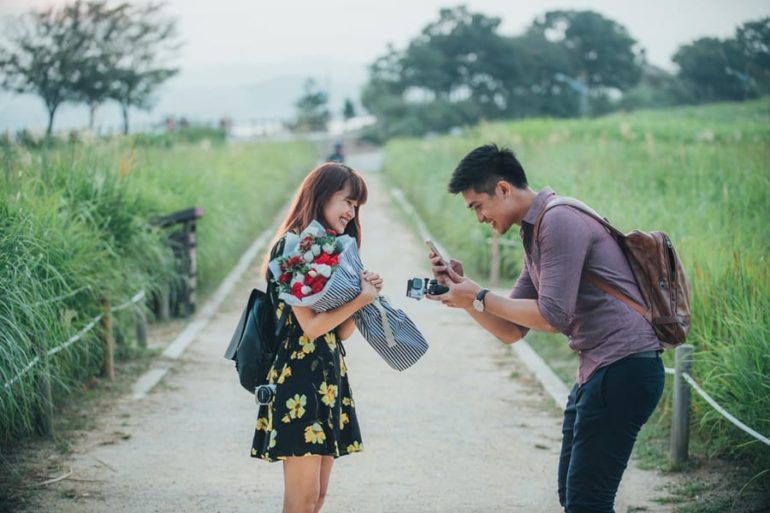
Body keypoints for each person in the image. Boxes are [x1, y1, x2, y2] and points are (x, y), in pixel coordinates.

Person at [427, 144, 665, 513]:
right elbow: (511, 331)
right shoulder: (535, 230)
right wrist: (465, 295)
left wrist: (480, 295)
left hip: (624, 367)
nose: (479, 218)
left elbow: (553, 316)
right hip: (600, 370)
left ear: (503, 189)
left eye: (478, 206)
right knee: (574, 499)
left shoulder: (559, 220)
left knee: (587, 502)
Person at [253, 162, 383, 513]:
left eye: (356, 206)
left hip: (327, 378)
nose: (350, 212)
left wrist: (360, 296)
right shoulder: (292, 247)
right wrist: (359, 298)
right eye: (346, 201)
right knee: (302, 499)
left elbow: (340, 331)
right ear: (321, 195)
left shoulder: (332, 250)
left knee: (318, 497)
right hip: (297, 381)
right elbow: (309, 327)